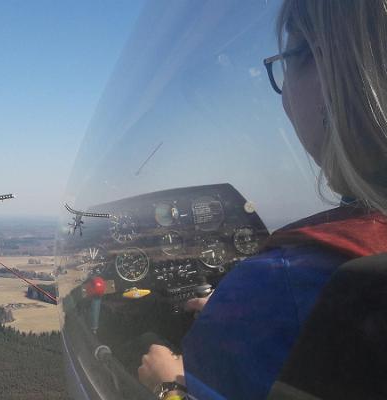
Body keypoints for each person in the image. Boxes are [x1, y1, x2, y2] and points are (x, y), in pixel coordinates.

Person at [138, 1, 387, 399]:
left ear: (336, 72)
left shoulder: (280, 280)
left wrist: (166, 382)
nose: (285, 96)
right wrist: (239, 311)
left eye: (290, 61)